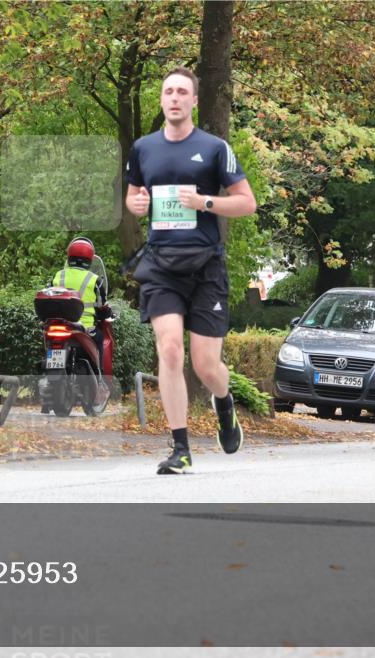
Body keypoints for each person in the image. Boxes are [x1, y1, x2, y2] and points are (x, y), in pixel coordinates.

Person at [125, 66, 258, 475]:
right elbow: (133, 196)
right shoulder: (143, 148)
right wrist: (137, 205)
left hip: (205, 267)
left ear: (194, 101)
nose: (175, 98)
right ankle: (180, 448)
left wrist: (205, 203)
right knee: (168, 349)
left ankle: (224, 402)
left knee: (206, 366)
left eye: (183, 92)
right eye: (169, 91)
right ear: (161, 99)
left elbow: (247, 202)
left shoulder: (215, 148)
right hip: (161, 264)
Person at [50, 237, 109, 369]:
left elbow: (49, 294)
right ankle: (99, 375)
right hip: (85, 327)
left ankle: (52, 365)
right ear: (90, 259)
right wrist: (106, 312)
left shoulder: (58, 275)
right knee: (100, 339)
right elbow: (102, 306)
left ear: (69, 257)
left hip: (58, 324)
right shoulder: (94, 280)